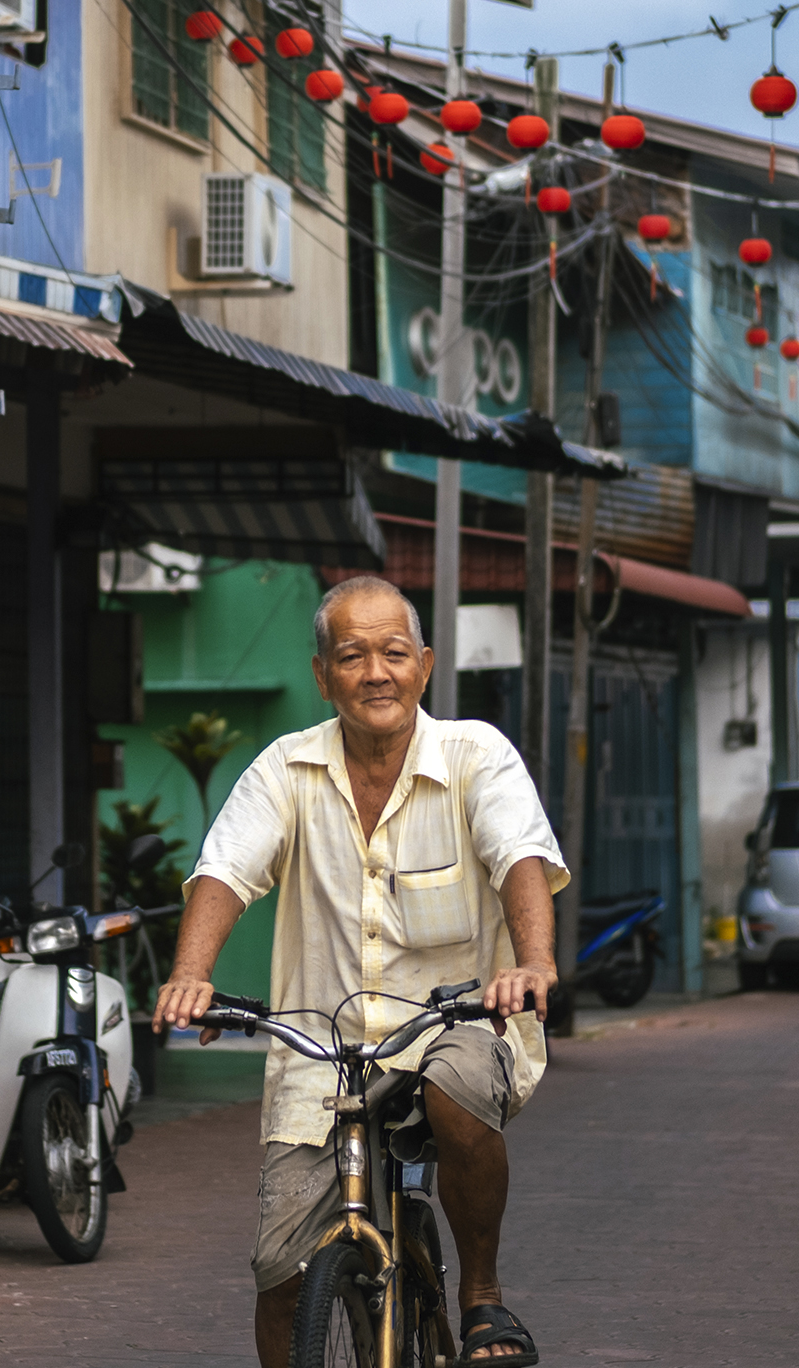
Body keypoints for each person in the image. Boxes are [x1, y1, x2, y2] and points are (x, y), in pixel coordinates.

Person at [154, 575, 567, 1368]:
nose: (375, 672)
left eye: (393, 653)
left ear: (424, 666)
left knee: (454, 1090)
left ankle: (481, 1295)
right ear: (322, 675)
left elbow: (520, 854)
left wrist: (533, 964)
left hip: (457, 1023)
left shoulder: (476, 756)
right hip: (326, 1050)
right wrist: (190, 975)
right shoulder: (286, 768)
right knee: (280, 1274)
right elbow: (225, 868)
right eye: (352, 656)